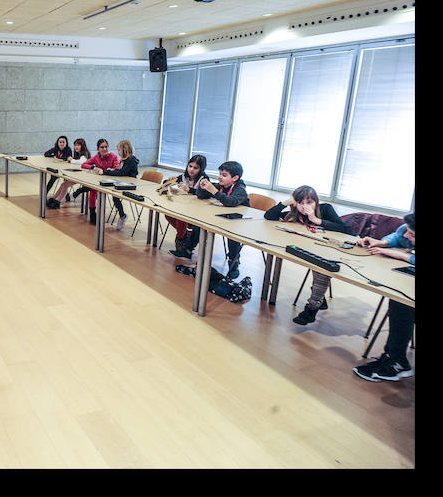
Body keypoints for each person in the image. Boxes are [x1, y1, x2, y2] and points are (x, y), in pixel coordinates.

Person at [263, 185, 355, 325]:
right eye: (301, 203)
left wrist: (316, 220)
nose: (305, 206)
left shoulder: (325, 209)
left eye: (310, 202)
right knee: (315, 259)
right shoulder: (295, 214)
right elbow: (269, 216)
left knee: (322, 265)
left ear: (316, 202)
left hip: (332, 250)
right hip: (311, 248)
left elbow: (344, 229)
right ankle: (319, 298)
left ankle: (312, 306)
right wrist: (284, 203)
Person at [354, 213, 415, 382]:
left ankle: (397, 362)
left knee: (403, 304)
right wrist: (382, 243)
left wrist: (401, 256)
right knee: (399, 299)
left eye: (412, 234)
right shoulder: (406, 230)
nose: (406, 235)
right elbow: (398, 236)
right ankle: (394, 358)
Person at [170, 160, 249, 279]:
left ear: (235, 178)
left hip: (236, 222)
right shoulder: (221, 186)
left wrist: (213, 191)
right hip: (219, 216)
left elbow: (231, 202)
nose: (220, 177)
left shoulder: (240, 190)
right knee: (200, 223)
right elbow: (201, 196)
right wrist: (203, 189)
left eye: (224, 175)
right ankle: (187, 250)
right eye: (220, 174)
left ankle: (233, 263)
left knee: (232, 236)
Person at [164, 154, 209, 251]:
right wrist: (169, 181)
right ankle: (185, 234)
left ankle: (180, 238)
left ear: (201, 169)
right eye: (190, 166)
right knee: (168, 214)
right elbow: (165, 185)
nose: (191, 170)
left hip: (197, 209)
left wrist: (189, 190)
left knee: (181, 218)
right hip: (183, 206)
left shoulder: (204, 179)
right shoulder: (183, 177)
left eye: (195, 168)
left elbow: (205, 194)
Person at [100, 139, 139, 230]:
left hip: (130, 185)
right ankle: (122, 215)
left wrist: (105, 172)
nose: (118, 153)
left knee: (115, 195)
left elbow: (122, 173)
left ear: (124, 150)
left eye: (119, 150)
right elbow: (122, 171)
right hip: (123, 182)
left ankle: (122, 216)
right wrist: (112, 170)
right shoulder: (124, 160)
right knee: (114, 194)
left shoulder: (131, 160)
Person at [81, 138, 119, 225]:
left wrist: (111, 170)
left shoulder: (114, 156)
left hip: (111, 182)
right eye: (102, 147)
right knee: (93, 190)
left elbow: (117, 169)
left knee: (92, 188)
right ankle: (92, 213)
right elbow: (84, 165)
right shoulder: (96, 157)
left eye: (106, 147)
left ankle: (82, 190)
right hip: (99, 181)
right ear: (98, 149)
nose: (104, 149)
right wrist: (93, 167)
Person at [49, 138, 90, 207]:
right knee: (63, 184)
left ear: (82, 146)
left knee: (65, 184)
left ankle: (58, 201)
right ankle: (54, 198)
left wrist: (72, 160)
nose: (76, 147)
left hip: (84, 177)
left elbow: (81, 162)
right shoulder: (78, 154)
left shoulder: (84, 155)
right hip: (77, 175)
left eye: (78, 145)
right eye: (75, 145)